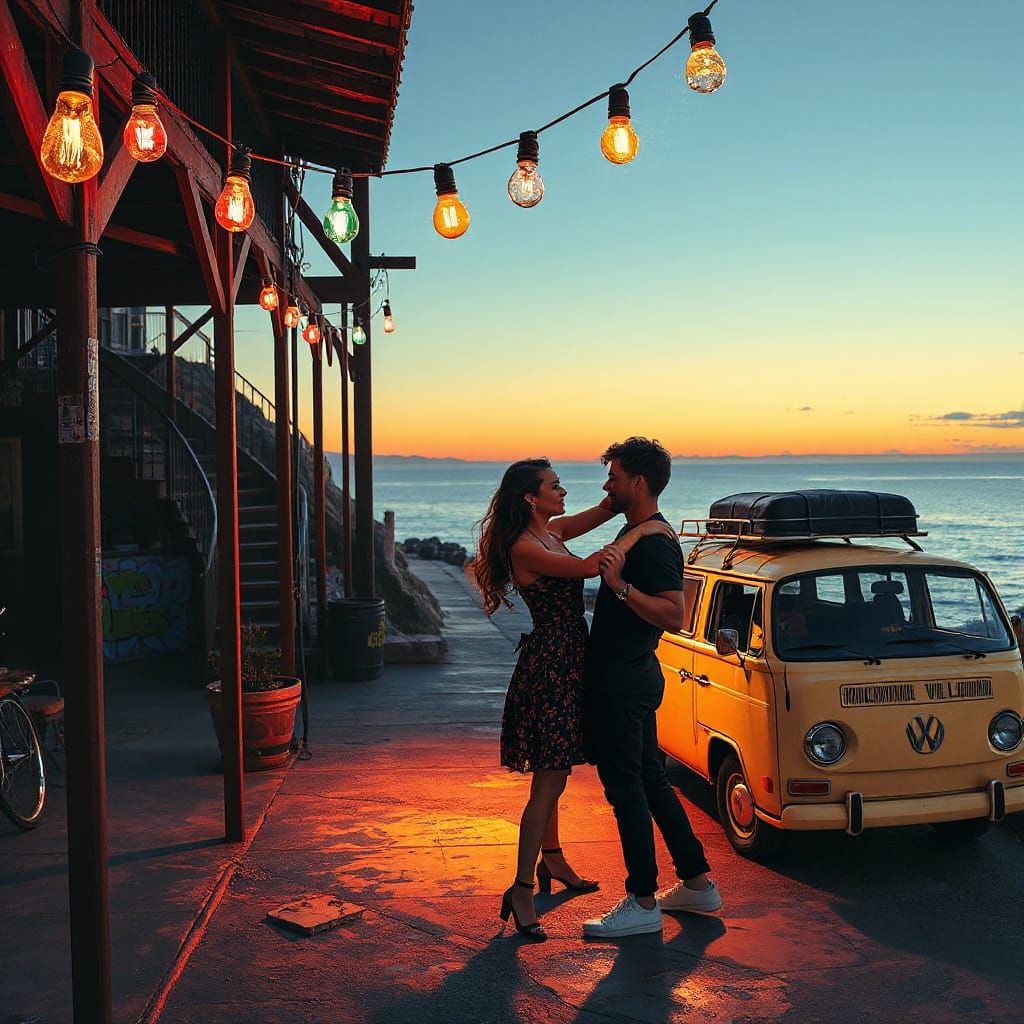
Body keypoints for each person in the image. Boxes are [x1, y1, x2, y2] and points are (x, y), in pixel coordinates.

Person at [474, 458, 674, 941]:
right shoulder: (527, 546)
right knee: (550, 779)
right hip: (551, 667)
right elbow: (591, 566)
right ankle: (522, 887)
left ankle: (555, 860)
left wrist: (635, 508)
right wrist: (639, 535)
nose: (563, 491)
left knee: (555, 771)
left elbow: (608, 507)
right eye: (554, 485)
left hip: (568, 660)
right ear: (530, 497)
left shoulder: (551, 531)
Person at [582, 437, 722, 939]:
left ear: (638, 483)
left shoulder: (657, 543)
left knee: (626, 790)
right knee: (650, 780)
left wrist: (620, 587)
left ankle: (642, 900)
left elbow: (674, 613)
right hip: (631, 676)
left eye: (614, 478)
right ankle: (698, 883)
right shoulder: (642, 531)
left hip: (626, 680)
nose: (607, 485)